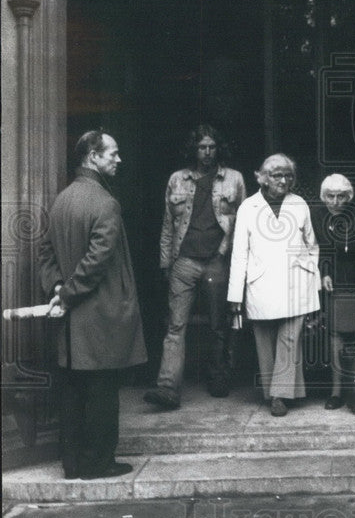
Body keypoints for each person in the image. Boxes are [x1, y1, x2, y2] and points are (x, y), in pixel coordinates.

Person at [39, 130, 147, 480]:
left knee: (73, 391)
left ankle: (73, 464)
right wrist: (68, 292)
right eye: (112, 154)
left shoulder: (62, 199)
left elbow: (46, 251)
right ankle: (99, 463)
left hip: (70, 322)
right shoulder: (105, 202)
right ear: (92, 157)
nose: (119, 159)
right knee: (102, 390)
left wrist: (57, 286)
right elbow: (97, 260)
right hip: (100, 315)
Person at [144, 124, 246, 410]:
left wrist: (235, 261)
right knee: (176, 326)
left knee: (218, 324)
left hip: (217, 260)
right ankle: (167, 389)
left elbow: (243, 225)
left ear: (219, 148)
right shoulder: (177, 179)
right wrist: (166, 262)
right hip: (184, 261)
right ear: (194, 149)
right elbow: (168, 225)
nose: (207, 152)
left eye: (212, 146)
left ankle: (219, 377)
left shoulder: (234, 179)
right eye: (202, 147)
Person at [227, 153, 320, 417]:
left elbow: (312, 245)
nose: (284, 180)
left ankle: (279, 395)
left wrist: (311, 279)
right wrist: (235, 295)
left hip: (295, 282)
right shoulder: (248, 207)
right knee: (265, 342)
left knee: (290, 339)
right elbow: (239, 253)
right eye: (277, 175)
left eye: (288, 175)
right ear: (263, 178)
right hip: (261, 284)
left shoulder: (299, 203)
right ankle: (276, 392)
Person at [312, 174, 355, 410]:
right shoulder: (320, 216)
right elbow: (322, 249)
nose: (336, 202)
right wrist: (325, 271)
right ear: (324, 197)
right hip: (335, 286)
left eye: (341, 196)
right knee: (336, 338)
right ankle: (337, 392)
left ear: (348, 197)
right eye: (330, 196)